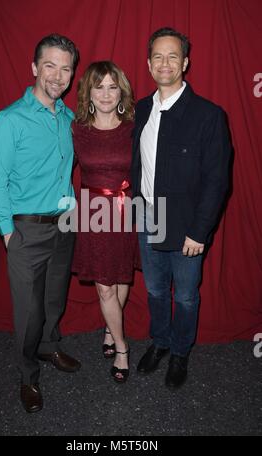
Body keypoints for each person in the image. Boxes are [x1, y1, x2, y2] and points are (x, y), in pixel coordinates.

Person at [0, 34, 81, 413]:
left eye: (66, 68)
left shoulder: (70, 119)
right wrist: (9, 234)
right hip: (26, 229)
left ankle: (48, 347)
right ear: (34, 68)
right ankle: (28, 376)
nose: (58, 75)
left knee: (54, 299)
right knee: (28, 311)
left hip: (65, 225)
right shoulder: (8, 120)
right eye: (50, 65)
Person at [131, 27, 231, 388]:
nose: (165, 63)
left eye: (173, 56)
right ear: (148, 63)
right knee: (156, 290)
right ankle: (159, 343)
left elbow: (217, 180)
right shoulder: (141, 108)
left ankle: (180, 352)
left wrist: (199, 231)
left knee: (186, 294)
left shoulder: (208, 115)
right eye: (158, 56)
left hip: (189, 227)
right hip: (149, 219)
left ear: (185, 62)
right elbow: (136, 164)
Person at [72, 61, 137, 383]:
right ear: (89, 92)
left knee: (122, 276)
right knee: (104, 286)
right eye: (99, 87)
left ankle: (111, 332)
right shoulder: (77, 130)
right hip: (93, 213)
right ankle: (122, 348)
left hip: (127, 210)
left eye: (113, 86)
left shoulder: (134, 127)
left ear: (121, 91)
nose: (106, 94)